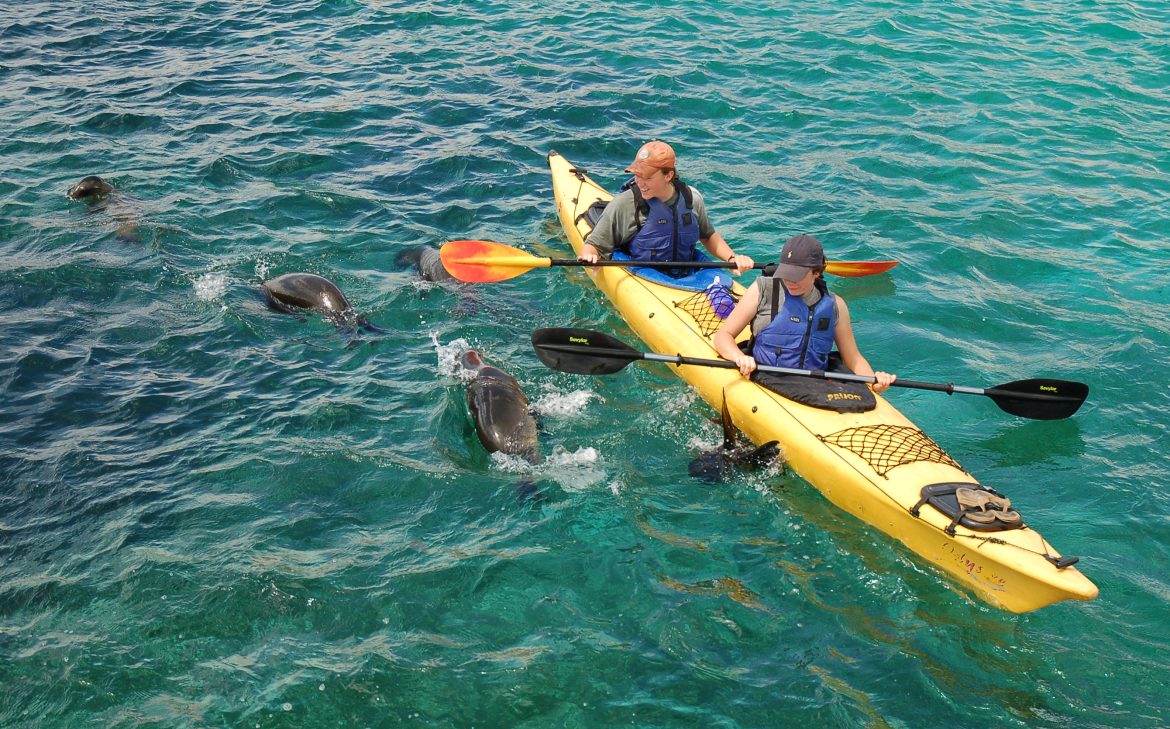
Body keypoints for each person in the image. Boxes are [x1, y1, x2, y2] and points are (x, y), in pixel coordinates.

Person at [713, 234, 896, 396]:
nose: (790, 281)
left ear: (816, 272)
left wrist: (874, 381)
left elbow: (853, 359)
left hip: (813, 389)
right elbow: (723, 336)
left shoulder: (836, 305)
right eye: (786, 273)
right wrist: (739, 357)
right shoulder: (764, 290)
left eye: (797, 275)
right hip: (765, 379)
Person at [578, 140, 754, 275]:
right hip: (644, 279)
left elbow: (707, 236)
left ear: (668, 175)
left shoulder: (691, 198)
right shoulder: (625, 204)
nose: (640, 183)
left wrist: (732, 259)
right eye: (637, 176)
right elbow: (593, 245)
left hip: (686, 276)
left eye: (647, 178)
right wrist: (589, 255)